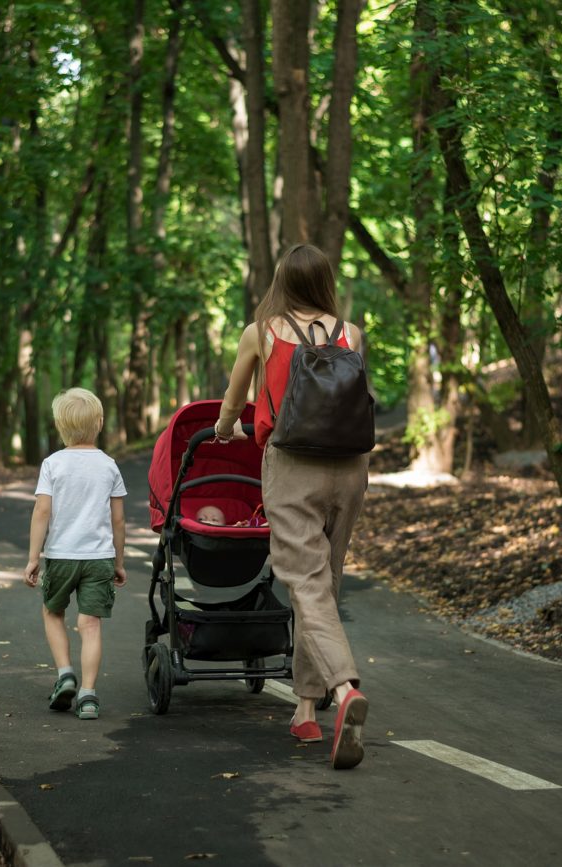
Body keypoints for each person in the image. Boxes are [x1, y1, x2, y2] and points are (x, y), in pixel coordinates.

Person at [212, 243, 371, 770]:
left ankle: (343, 687)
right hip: (349, 468)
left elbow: (235, 398)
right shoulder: (352, 333)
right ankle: (305, 708)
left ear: (282, 281)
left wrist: (224, 427)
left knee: (303, 581)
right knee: (324, 577)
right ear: (325, 281)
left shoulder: (263, 331)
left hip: (291, 463)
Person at [24, 388, 128, 721]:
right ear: (99, 423)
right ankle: (88, 695)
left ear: (60, 427)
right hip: (98, 558)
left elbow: (42, 512)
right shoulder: (109, 466)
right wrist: (119, 562)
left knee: (53, 612)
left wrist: (33, 557)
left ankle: (65, 673)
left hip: (61, 556)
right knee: (90, 624)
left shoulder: (53, 464)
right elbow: (119, 519)